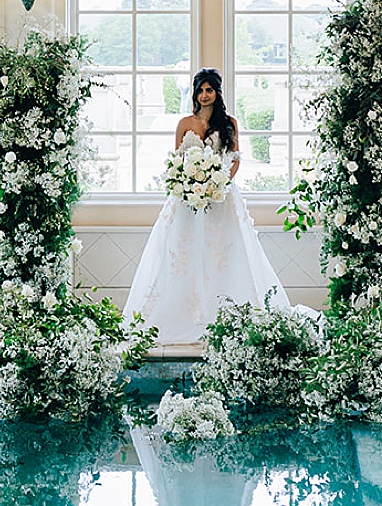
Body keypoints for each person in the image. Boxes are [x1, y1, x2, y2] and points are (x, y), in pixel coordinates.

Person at [123, 68, 291, 345]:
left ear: (217, 93)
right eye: (200, 90)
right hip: (187, 199)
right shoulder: (184, 123)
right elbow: (176, 160)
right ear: (195, 92)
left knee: (223, 254)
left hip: (221, 197)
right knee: (183, 253)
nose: (204, 95)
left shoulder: (229, 123)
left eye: (209, 90)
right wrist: (188, 183)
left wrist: (219, 183)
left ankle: (223, 313)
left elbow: (235, 159)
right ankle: (183, 315)